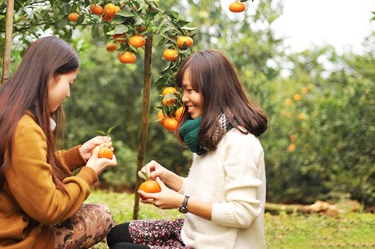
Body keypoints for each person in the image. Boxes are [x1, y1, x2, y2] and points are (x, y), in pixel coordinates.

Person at [0, 36, 118, 248]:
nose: (68, 94)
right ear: (52, 76)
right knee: (101, 216)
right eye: (69, 83)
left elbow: (26, 169)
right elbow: (49, 209)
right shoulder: (23, 128)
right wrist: (89, 173)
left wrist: (77, 156)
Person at [107, 49, 268, 249]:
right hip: (196, 232)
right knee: (118, 235)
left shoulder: (240, 143)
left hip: (221, 244)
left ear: (214, 91)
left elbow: (241, 214)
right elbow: (206, 191)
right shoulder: (210, 134)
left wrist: (181, 202)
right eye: (183, 91)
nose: (183, 99)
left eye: (190, 91)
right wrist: (168, 177)